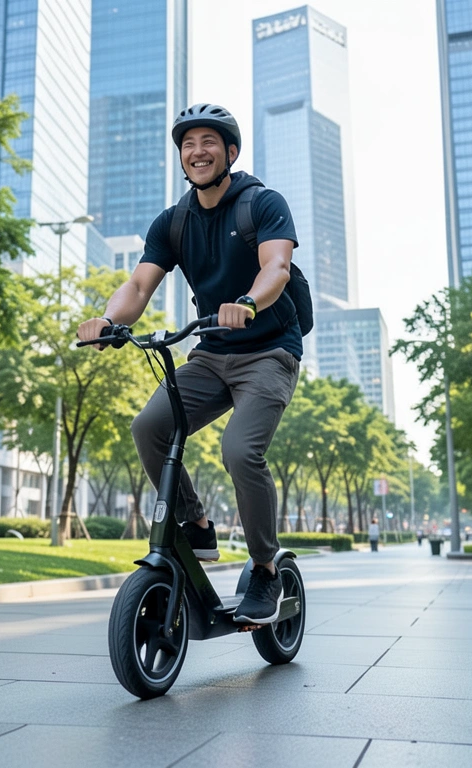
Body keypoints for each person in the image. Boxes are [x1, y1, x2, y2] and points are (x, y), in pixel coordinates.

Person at [78, 103, 301, 625]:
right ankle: (196, 522)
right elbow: (137, 285)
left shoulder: (262, 204)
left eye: (208, 142)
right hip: (210, 353)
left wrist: (247, 302)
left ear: (230, 152)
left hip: (268, 351)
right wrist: (107, 321)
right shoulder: (174, 221)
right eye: (188, 144)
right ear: (181, 158)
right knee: (150, 427)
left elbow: (278, 266)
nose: (197, 151)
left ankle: (265, 569)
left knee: (240, 451)